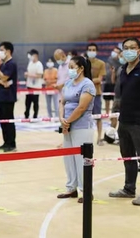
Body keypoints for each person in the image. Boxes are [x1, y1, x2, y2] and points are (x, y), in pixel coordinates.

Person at [109, 38, 140, 206]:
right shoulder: (123, 69)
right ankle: (129, 189)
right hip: (125, 120)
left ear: (139, 50)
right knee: (127, 156)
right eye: (125, 48)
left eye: (132, 48)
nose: (128, 50)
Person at [57, 56, 96, 203]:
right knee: (69, 158)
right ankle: (71, 187)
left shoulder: (88, 85)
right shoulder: (68, 83)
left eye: (73, 67)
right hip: (67, 126)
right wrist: (62, 120)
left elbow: (81, 108)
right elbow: (62, 102)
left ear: (81, 69)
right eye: (69, 67)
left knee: (82, 160)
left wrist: (68, 121)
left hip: (81, 127)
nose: (70, 70)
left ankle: (86, 191)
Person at [0, 42, 17, 153]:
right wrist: (1, 80)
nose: (0, 52)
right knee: (2, 121)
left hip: (8, 97)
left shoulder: (11, 64)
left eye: (2, 49)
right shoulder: (3, 64)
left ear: (8, 51)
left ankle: (11, 143)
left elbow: (4, 77)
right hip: (0, 95)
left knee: (8, 120)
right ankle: (6, 142)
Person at [86, 43, 106, 146]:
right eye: (90, 49)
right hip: (84, 94)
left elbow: (99, 79)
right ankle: (86, 138)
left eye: (93, 49)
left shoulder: (101, 63)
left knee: (98, 117)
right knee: (85, 117)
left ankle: (99, 137)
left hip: (96, 93)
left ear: (96, 51)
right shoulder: (83, 63)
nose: (91, 51)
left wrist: (87, 81)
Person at [24, 49, 43, 119]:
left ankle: (35, 115)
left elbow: (39, 75)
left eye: (32, 55)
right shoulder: (30, 63)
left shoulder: (39, 64)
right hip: (29, 85)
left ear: (36, 56)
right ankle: (26, 114)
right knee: (27, 102)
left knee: (35, 102)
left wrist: (29, 75)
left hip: (36, 86)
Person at [103, 47, 121, 115]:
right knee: (106, 99)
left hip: (115, 84)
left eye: (116, 52)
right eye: (114, 51)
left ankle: (114, 115)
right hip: (107, 82)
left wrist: (114, 72)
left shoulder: (120, 62)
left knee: (114, 100)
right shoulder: (109, 60)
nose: (114, 53)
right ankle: (107, 113)